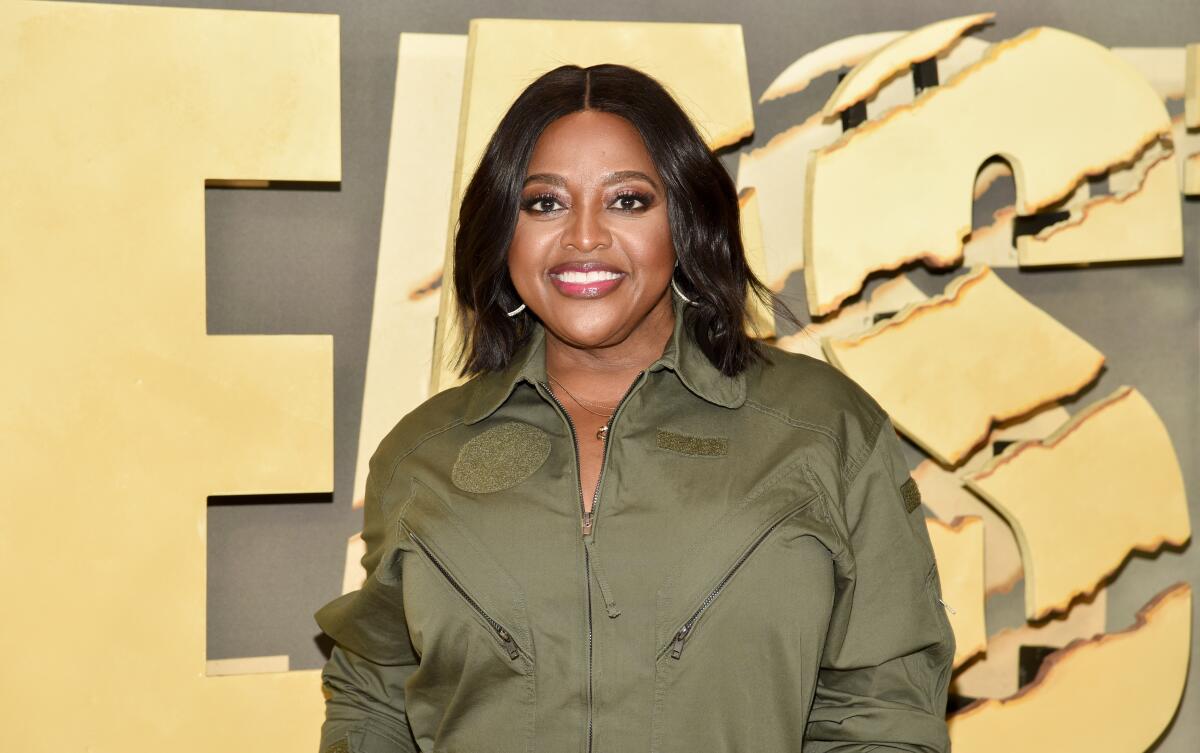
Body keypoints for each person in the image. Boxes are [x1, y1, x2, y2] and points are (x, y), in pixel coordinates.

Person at [314, 62, 955, 753]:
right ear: (504, 230)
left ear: (684, 219)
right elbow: (372, 699)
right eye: (544, 203)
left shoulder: (822, 429)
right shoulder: (422, 454)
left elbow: (883, 715)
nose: (584, 237)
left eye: (627, 201)